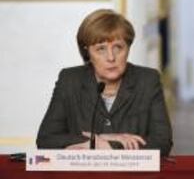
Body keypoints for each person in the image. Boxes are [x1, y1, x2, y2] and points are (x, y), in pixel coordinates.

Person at [37, 9, 173, 156]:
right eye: (101, 49)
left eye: (118, 47)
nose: (111, 57)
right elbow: (46, 139)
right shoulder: (69, 80)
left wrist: (112, 146)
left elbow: (163, 142)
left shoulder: (147, 80)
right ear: (87, 52)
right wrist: (102, 139)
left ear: (128, 48)